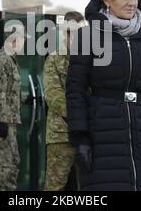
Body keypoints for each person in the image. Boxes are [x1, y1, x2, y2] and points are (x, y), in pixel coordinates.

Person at [66, 0, 141, 191]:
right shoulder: (88, 35)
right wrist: (80, 137)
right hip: (103, 131)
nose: (132, 2)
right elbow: (75, 89)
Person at [43, 11, 85, 191]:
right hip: (61, 133)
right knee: (56, 184)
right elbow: (53, 95)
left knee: (89, 184)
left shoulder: (91, 58)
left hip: (87, 134)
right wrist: (77, 117)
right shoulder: (54, 58)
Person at [0, 24, 27, 191]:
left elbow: (9, 91)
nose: (24, 43)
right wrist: (2, 120)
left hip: (8, 121)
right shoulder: (2, 60)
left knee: (11, 163)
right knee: (1, 167)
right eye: (23, 39)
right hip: (1, 123)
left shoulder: (10, 59)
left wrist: (26, 98)